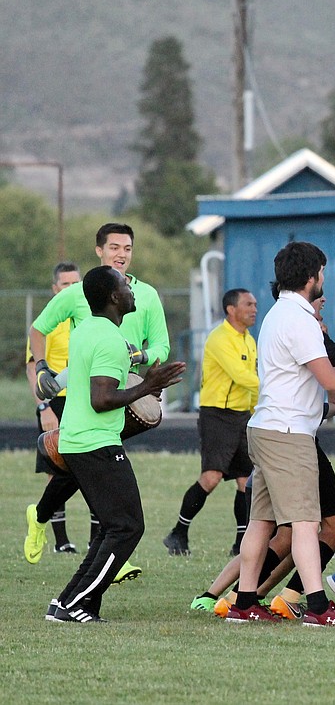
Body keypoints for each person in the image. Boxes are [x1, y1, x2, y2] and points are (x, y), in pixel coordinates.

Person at [227, 241, 335, 627]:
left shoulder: (277, 313)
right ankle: (318, 608)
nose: (324, 278)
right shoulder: (301, 318)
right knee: (305, 523)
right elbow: (324, 376)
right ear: (311, 278)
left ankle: (245, 602)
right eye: (321, 272)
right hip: (289, 433)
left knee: (261, 522)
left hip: (266, 427)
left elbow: (311, 369)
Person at [28, 223, 165, 585]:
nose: (122, 254)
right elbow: (38, 328)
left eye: (128, 248)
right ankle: (104, 561)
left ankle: (43, 515)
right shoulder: (81, 294)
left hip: (125, 397)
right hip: (91, 399)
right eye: (115, 247)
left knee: (85, 471)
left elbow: (162, 347)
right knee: (97, 472)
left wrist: (142, 356)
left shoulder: (146, 295)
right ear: (99, 251)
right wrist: (42, 368)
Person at [48, 266, 185, 623]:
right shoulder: (109, 339)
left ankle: (68, 602)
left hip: (79, 440)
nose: (131, 288)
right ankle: (76, 602)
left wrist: (144, 385)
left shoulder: (86, 331)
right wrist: (146, 385)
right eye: (125, 285)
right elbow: (102, 398)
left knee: (115, 526)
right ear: (113, 297)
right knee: (127, 527)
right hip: (97, 443)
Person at [164, 288, 259, 556]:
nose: (254, 309)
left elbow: (250, 382)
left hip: (242, 416)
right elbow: (241, 376)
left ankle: (241, 544)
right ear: (231, 309)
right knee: (211, 477)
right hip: (217, 414)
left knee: (246, 480)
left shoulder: (249, 340)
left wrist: (255, 411)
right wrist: (274, 387)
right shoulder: (219, 338)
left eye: (255, 304)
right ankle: (178, 533)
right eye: (248, 304)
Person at [24, 261, 81, 561]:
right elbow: (33, 367)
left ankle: (99, 540)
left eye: (76, 284)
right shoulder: (48, 319)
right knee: (56, 470)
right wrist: (44, 406)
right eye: (65, 284)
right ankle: (61, 540)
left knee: (89, 468)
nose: (71, 290)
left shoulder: (86, 315)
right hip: (55, 402)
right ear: (54, 288)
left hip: (83, 400)